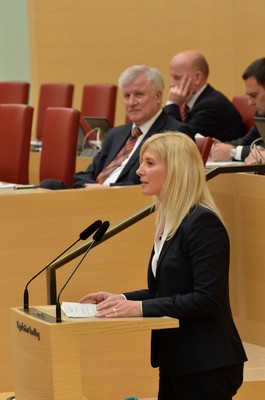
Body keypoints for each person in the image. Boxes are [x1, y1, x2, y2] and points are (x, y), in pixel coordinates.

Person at [80, 132, 247, 400]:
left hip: (206, 363)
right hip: (177, 359)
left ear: (176, 170)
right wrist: (121, 299)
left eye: (149, 163)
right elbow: (167, 291)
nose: (138, 171)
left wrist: (140, 308)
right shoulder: (170, 221)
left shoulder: (203, 224)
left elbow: (206, 299)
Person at [40, 65, 193, 190]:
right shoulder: (116, 133)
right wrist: (92, 188)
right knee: (48, 185)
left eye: (139, 95)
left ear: (158, 96)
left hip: (126, 205)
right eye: (127, 96)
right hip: (92, 196)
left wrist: (109, 189)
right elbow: (86, 174)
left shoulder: (174, 134)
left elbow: (166, 185)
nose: (131, 102)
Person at [164, 50, 246, 141]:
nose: (171, 84)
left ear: (197, 78)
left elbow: (178, 141)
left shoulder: (212, 105)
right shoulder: (193, 102)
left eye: (177, 78)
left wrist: (171, 104)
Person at [211, 57, 265, 162]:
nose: (250, 102)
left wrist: (234, 152)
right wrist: (222, 147)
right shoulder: (262, 112)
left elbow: (262, 151)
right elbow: (249, 140)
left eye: (254, 95)